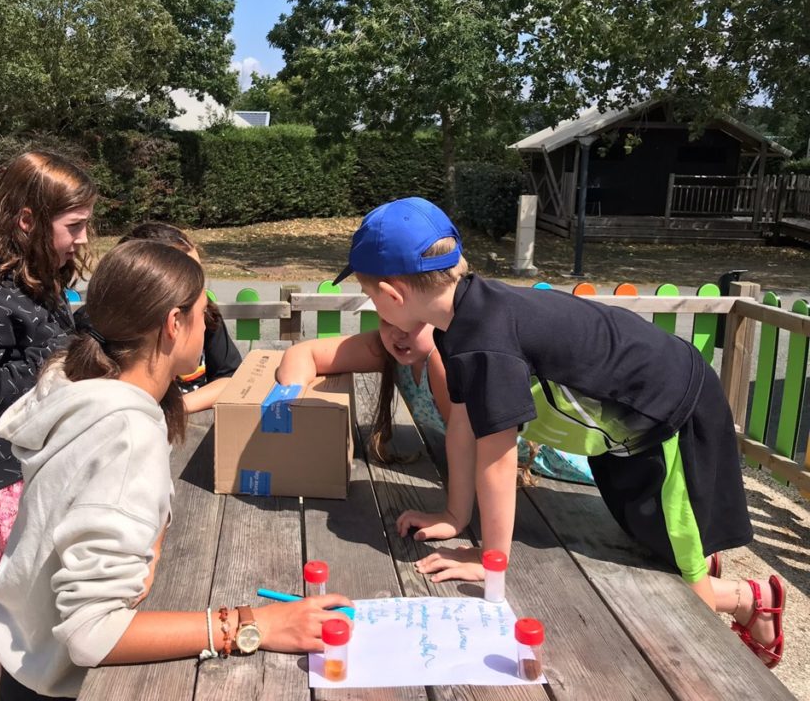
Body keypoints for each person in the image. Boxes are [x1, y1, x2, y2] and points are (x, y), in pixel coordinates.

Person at [331, 196, 785, 669]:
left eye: (370, 296)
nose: (375, 307)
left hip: (670, 415)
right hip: (623, 426)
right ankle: (690, 549)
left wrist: (489, 560)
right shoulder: (460, 320)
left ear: (392, 294)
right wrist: (452, 513)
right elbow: (462, 422)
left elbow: (498, 458)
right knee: (646, 541)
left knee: (685, 603)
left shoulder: (486, 341)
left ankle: (750, 599)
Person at [0, 240, 353, 700]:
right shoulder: (127, 433)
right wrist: (247, 624)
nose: (209, 324)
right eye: (202, 312)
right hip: (54, 683)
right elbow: (91, 633)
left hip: (18, 654)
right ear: (173, 324)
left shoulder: (72, 376)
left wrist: (152, 539)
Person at [0, 151, 96, 700]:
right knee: (14, 635)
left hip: (33, 467)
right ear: (27, 220)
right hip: (4, 480)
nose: (82, 239)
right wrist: (57, 355)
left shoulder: (35, 278)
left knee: (31, 627)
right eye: (73, 226)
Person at [275, 312, 595, 485]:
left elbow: (477, 451)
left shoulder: (441, 362)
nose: (398, 333)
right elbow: (304, 353)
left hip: (552, 454)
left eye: (413, 323)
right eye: (388, 321)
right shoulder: (390, 348)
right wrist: (291, 407)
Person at [118, 221, 242, 412]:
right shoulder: (108, 331)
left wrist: (173, 410)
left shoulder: (205, 313)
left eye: (199, 274)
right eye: (190, 277)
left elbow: (231, 377)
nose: (200, 288)